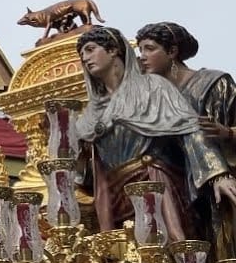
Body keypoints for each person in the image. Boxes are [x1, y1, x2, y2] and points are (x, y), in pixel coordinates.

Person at [73, 26, 236, 241]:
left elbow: (189, 128)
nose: (85, 58)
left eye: (90, 50)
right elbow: (87, 172)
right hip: (114, 199)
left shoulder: (153, 87)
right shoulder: (91, 113)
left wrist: (217, 174)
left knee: (170, 256)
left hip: (158, 188)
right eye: (82, 54)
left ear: (113, 50)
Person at [136, 21, 236, 262]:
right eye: (140, 51)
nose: (143, 57)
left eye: (150, 49)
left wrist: (228, 133)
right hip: (187, 196)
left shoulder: (214, 83)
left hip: (226, 186)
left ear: (172, 52)